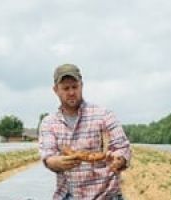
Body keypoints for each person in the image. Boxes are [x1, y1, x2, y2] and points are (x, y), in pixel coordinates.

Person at [39, 64, 131, 200]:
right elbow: (48, 156)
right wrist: (56, 162)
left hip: (106, 195)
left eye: (75, 87)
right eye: (65, 88)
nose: (71, 92)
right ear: (56, 90)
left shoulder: (104, 115)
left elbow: (123, 148)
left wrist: (119, 159)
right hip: (69, 195)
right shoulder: (49, 122)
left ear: (81, 85)